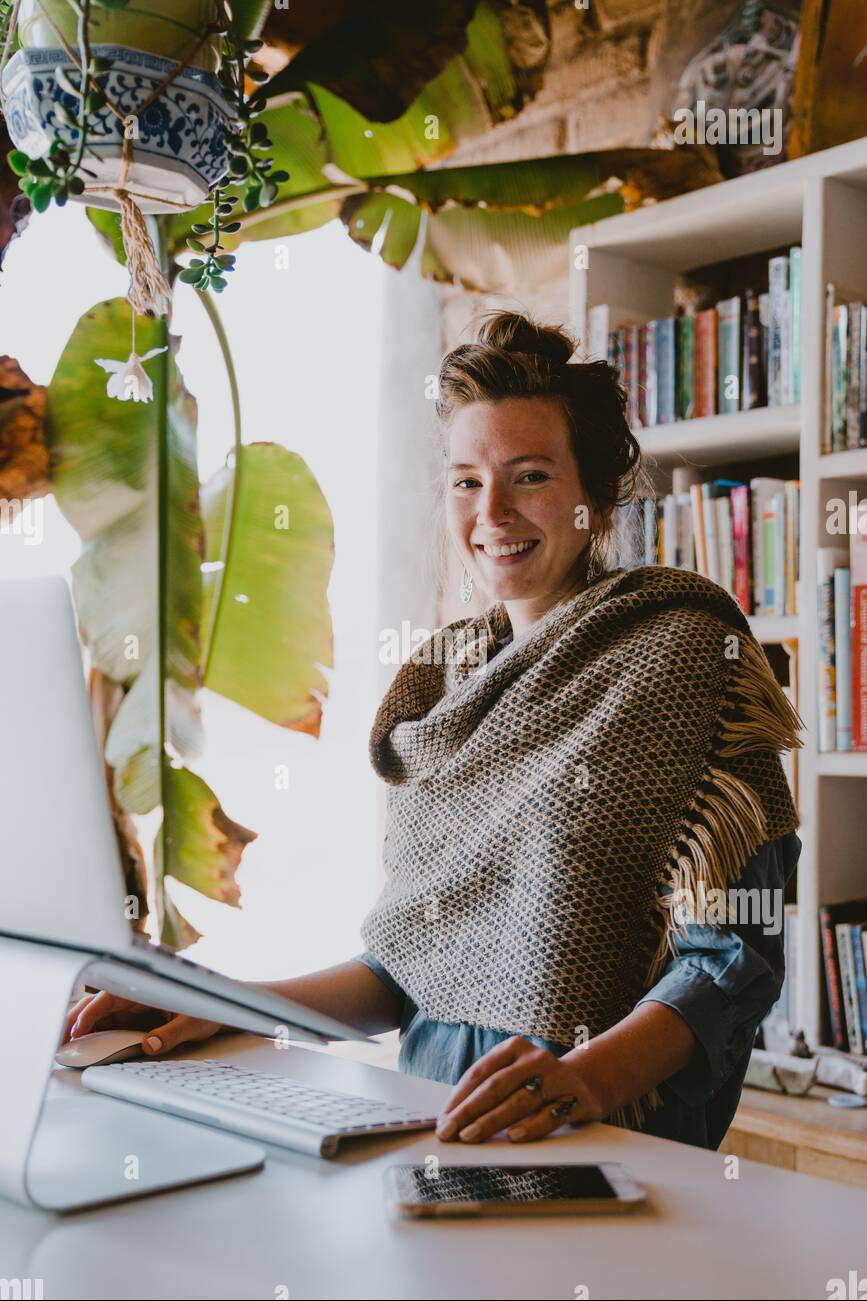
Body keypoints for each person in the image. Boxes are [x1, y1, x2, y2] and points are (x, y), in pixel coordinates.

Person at [63, 310, 803, 1152]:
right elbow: (406, 973)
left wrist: (584, 1083)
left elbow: (733, 958)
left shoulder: (678, 648)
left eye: (528, 476)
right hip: (428, 1126)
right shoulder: (440, 681)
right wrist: (222, 1002)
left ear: (592, 495)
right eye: (463, 480)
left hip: (603, 1136)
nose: (491, 512)